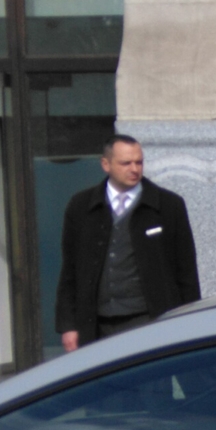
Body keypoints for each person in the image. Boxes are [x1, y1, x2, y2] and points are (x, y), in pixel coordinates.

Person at [54, 135, 201, 352]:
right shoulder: (81, 207)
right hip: (97, 324)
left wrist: (189, 319)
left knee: (153, 382)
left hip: (150, 319)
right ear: (106, 164)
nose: (134, 169)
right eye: (126, 163)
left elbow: (186, 270)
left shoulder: (168, 206)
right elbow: (70, 271)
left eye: (139, 162)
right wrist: (68, 325)